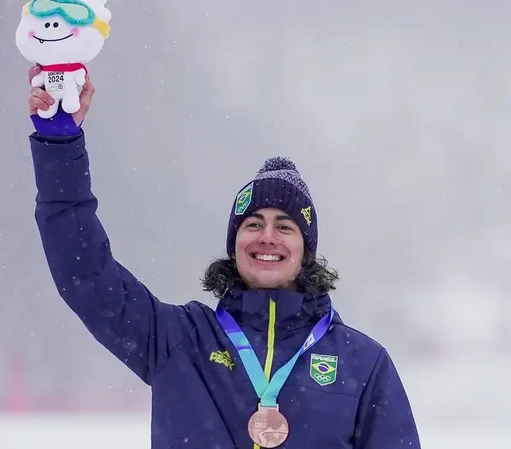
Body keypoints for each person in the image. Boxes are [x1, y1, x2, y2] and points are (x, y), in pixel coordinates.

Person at [26, 64, 421, 448]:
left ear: (307, 251)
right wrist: (60, 145)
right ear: (234, 245)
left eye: (285, 226)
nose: (267, 237)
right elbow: (85, 272)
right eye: (253, 225)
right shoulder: (178, 341)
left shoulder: (363, 364)